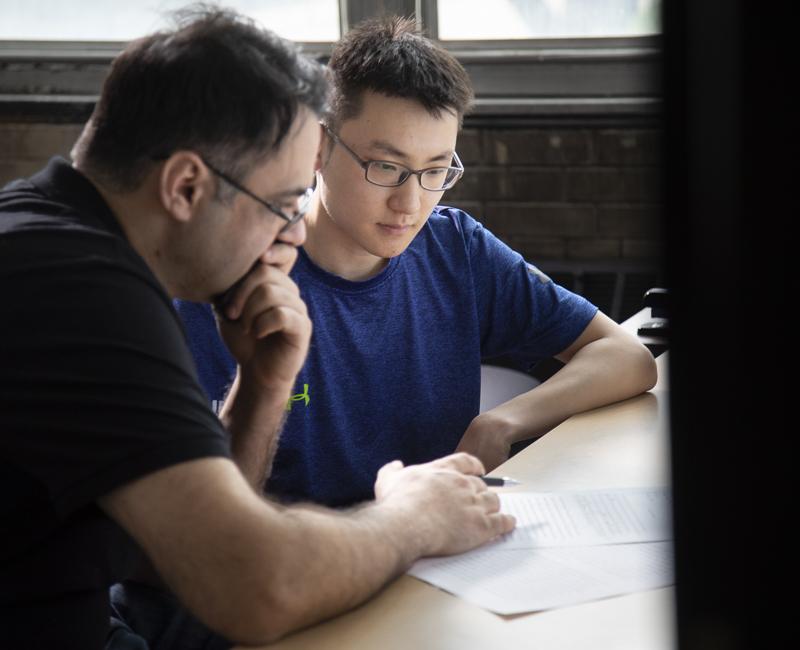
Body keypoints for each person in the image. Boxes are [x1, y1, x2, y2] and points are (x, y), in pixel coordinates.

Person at [0, 8, 516, 650]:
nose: (295, 233)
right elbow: (251, 587)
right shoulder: (81, 294)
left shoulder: (48, 236)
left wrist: (264, 381)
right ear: (186, 187)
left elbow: (181, 550)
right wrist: (411, 519)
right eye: (283, 203)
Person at [176, 15, 659, 509]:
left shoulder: (455, 250)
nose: (410, 204)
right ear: (317, 147)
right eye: (386, 167)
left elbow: (626, 358)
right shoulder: (228, 278)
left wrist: (502, 421)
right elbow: (202, 521)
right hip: (300, 565)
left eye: (435, 170)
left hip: (429, 557)